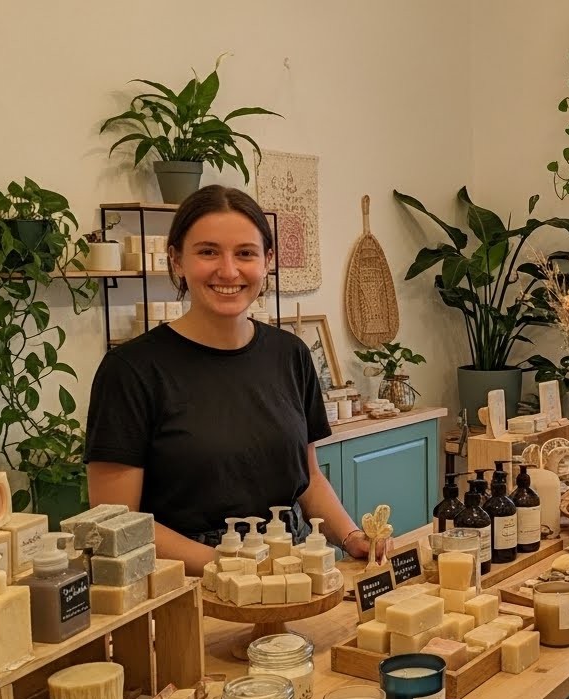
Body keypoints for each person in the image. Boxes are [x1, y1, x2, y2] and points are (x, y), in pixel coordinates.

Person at [84, 185, 383, 574]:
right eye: (208, 252)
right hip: (187, 581)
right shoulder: (132, 370)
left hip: (291, 565)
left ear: (267, 260)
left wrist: (351, 536)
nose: (228, 271)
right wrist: (230, 566)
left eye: (245, 253)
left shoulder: (289, 355)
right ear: (176, 260)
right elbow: (116, 521)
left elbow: (306, 478)